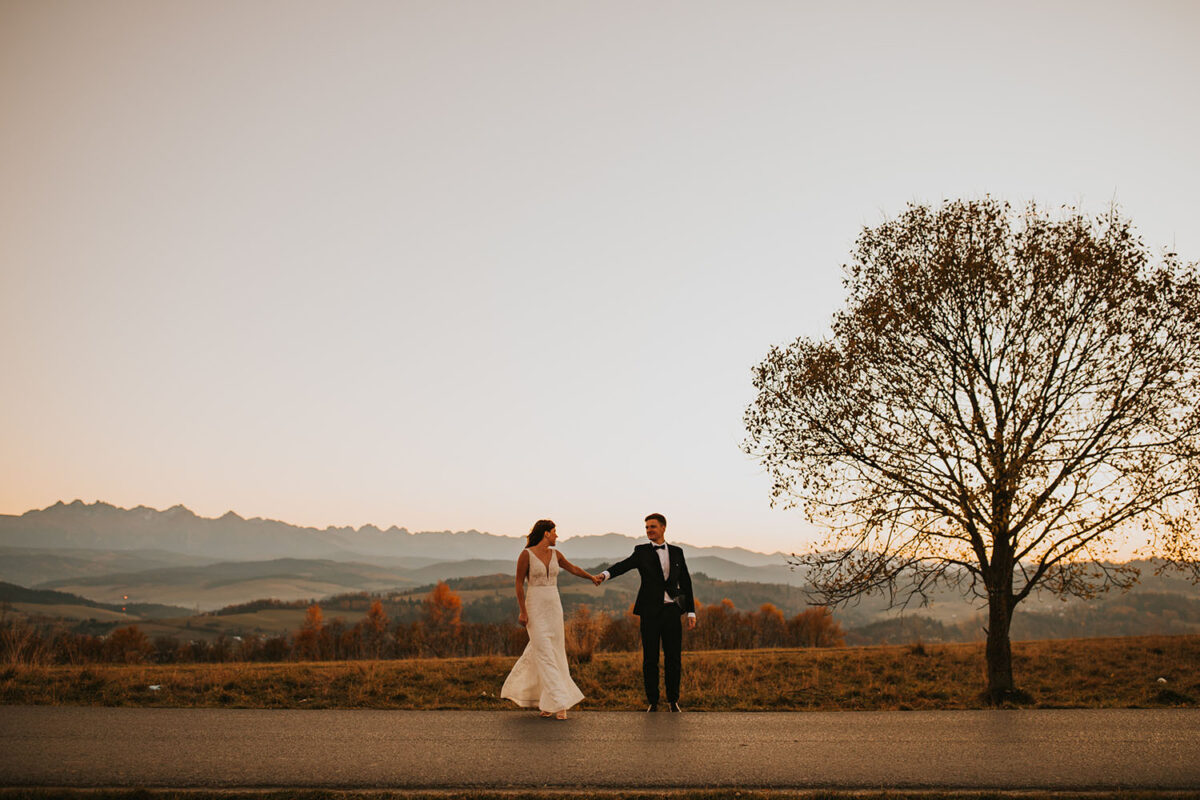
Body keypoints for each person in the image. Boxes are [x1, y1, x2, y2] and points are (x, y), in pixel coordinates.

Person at [500, 519, 600, 719]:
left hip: (554, 606)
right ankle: (559, 703)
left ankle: (547, 703)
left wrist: (591, 577)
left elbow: (573, 568)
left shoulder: (556, 554)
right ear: (546, 533)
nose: (557, 536)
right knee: (544, 652)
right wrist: (522, 611)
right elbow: (519, 584)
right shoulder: (525, 555)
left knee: (553, 652)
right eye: (554, 532)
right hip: (534, 605)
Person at [597, 513, 696, 712]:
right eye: (647, 528)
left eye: (652, 527)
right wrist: (605, 574)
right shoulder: (641, 551)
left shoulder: (677, 552)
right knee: (650, 658)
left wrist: (691, 611)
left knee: (673, 658)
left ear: (663, 528)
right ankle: (652, 701)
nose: (649, 530)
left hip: (672, 612)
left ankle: (672, 701)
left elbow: (685, 581)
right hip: (650, 613)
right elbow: (623, 566)